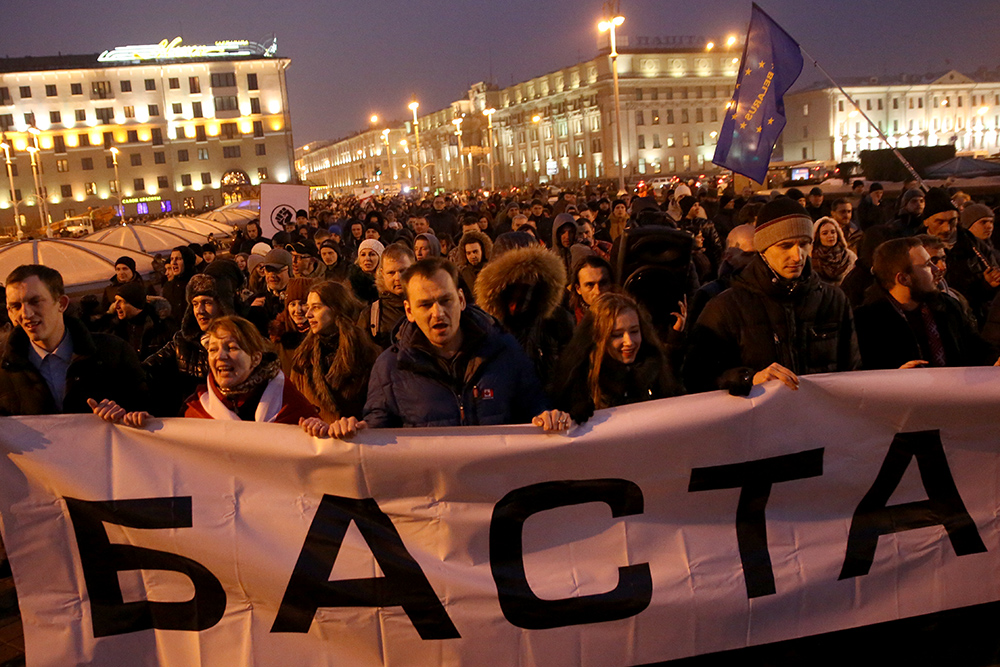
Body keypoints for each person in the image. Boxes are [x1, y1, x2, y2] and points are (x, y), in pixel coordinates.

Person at [328, 258, 571, 436]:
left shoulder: (504, 350)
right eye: (425, 305)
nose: (438, 313)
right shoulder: (390, 366)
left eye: (446, 300)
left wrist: (548, 417)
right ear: (409, 311)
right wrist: (354, 430)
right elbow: (376, 430)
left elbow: (535, 407)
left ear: (461, 300)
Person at [684, 198, 860, 395]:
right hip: (758, 424)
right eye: (785, 246)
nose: (797, 256)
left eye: (804, 244)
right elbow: (695, 379)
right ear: (763, 248)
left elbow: (854, 372)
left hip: (822, 422)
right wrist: (748, 379)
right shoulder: (725, 307)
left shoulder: (834, 300)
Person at [0, 264, 148, 416]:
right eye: (16, 306)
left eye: (35, 301)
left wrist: (127, 413)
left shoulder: (114, 352)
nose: (26, 314)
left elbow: (150, 411)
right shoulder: (4, 372)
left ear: (62, 304)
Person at [854, 237, 998, 370]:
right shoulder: (867, 321)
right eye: (927, 265)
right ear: (904, 279)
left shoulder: (947, 306)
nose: (937, 269)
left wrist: (995, 359)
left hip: (953, 394)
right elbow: (861, 376)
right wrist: (894, 377)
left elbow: (977, 348)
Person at [550, 292, 681, 424]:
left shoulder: (657, 371)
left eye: (634, 331)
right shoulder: (579, 384)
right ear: (598, 338)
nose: (629, 341)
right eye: (617, 335)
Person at [473, 242, 574, 381]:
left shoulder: (556, 321)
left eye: (532, 280)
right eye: (515, 282)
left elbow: (568, 372)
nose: (523, 294)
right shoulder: (484, 327)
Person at [144, 272, 237, 416]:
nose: (200, 311)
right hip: (193, 422)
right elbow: (147, 370)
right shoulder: (182, 342)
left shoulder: (244, 344)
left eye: (207, 303)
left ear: (223, 305)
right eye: (195, 304)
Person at [289, 281, 381, 422]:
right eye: (308, 308)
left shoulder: (365, 354)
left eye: (316, 308)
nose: (308, 314)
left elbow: (378, 407)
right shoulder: (303, 357)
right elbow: (293, 405)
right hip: (314, 440)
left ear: (336, 309)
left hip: (353, 437)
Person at [359, 243, 415, 350]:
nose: (397, 278)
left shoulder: (428, 308)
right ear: (382, 273)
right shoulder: (370, 316)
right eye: (391, 273)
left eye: (403, 270)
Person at [108, 281, 171, 359]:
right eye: (115, 301)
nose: (116, 306)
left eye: (121, 301)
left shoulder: (160, 327)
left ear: (135, 305)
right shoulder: (115, 327)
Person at [268, 277, 314, 374]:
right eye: (293, 304)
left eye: (303, 304)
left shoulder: (320, 336)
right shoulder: (278, 336)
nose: (297, 310)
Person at [810, 217, 856, 286]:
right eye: (825, 233)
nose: (830, 236)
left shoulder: (849, 256)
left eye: (833, 232)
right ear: (818, 237)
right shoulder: (812, 258)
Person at [568, 255, 613, 324]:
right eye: (590, 285)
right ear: (578, 289)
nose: (597, 291)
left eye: (603, 283)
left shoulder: (627, 315)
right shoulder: (569, 321)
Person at [456, 230, 492, 296]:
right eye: (468, 253)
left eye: (475, 252)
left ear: (483, 250)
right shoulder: (462, 274)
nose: (472, 256)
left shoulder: (493, 269)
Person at [348, 238, 383, 304]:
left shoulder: (387, 283)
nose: (367, 259)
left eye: (372, 254)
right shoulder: (351, 283)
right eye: (363, 255)